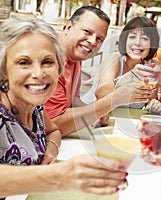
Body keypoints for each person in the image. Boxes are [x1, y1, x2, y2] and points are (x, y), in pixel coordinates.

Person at [0, 18, 127, 198]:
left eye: (47, 62)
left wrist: (50, 154)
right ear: (4, 69)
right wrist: (59, 175)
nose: (38, 73)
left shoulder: (33, 106)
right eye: (23, 62)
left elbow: (54, 131)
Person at [44, 6, 153, 136]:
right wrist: (114, 99)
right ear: (68, 28)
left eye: (99, 38)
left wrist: (95, 114)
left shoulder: (75, 57)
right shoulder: (50, 60)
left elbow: (74, 100)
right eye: (86, 31)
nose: (92, 41)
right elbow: (52, 124)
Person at [81, 16, 160, 127]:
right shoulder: (115, 59)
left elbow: (150, 98)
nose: (137, 43)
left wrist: (154, 104)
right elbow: (100, 93)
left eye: (144, 38)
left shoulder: (153, 65)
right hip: (89, 120)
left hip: (124, 123)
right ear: (125, 40)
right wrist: (128, 77)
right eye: (132, 37)